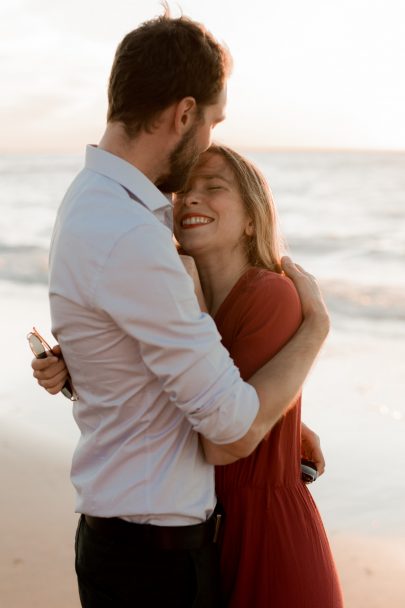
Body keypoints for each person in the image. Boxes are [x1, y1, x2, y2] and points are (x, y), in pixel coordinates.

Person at [32, 7, 330, 608]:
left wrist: (290, 428)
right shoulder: (130, 234)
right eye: (213, 122)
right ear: (185, 112)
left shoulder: (100, 204)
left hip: (129, 544)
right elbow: (227, 428)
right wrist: (316, 329)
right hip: (153, 561)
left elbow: (134, 361)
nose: (209, 141)